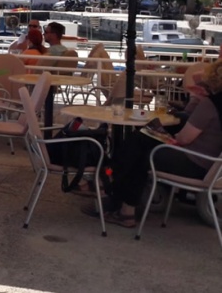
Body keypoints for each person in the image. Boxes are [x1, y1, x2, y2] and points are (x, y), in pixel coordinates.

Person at [83, 59, 222, 228]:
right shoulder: (215, 103)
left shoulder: (210, 104)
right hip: (212, 166)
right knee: (139, 142)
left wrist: (172, 135)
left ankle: (119, 200)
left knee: (139, 150)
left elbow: (184, 138)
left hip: (195, 163)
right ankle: (117, 194)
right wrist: (197, 97)